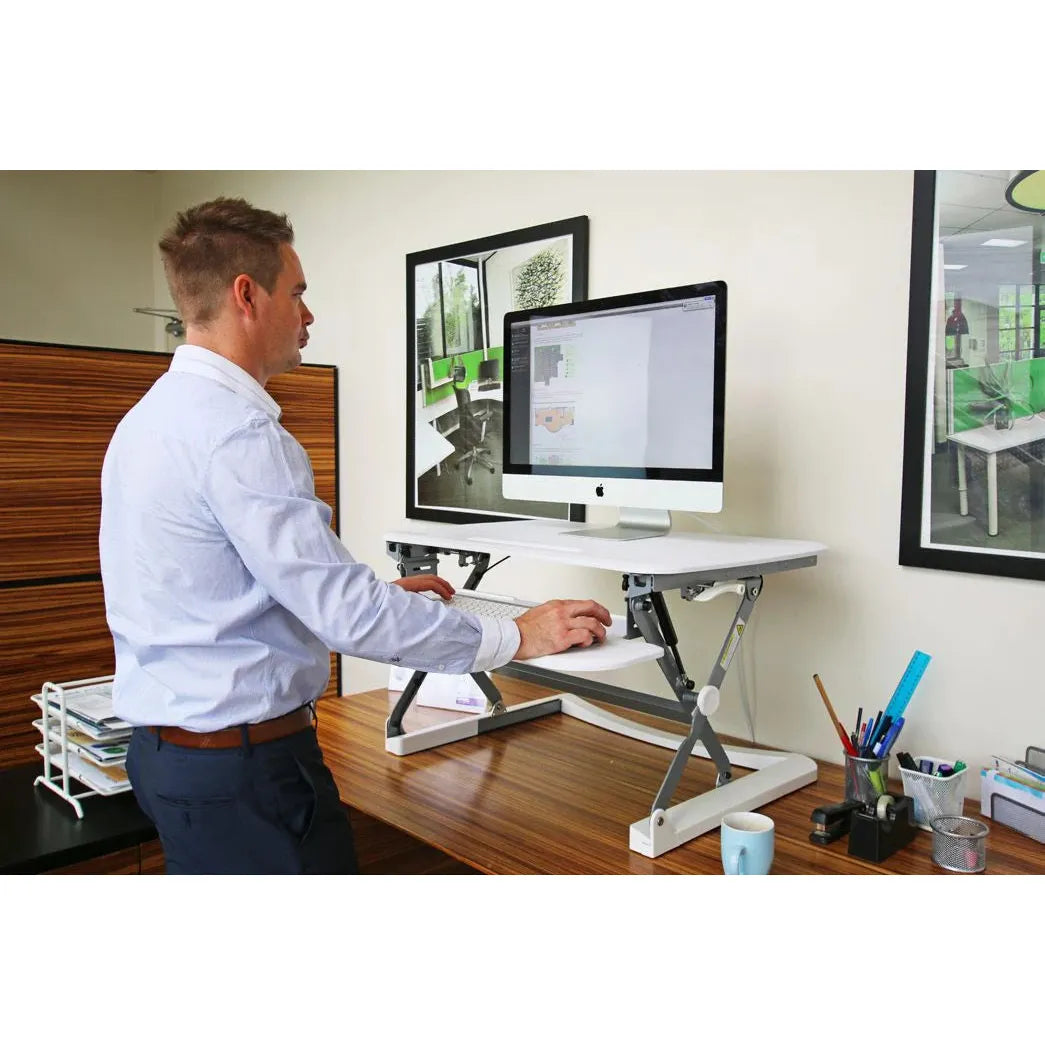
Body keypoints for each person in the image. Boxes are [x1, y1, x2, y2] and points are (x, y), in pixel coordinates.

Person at [98, 197, 610, 874]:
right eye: (297, 293)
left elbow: (214, 591)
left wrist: (382, 595)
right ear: (246, 295)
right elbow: (347, 616)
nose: (308, 314)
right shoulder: (239, 435)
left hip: (171, 761)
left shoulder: (147, 419)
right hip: (245, 776)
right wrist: (518, 635)